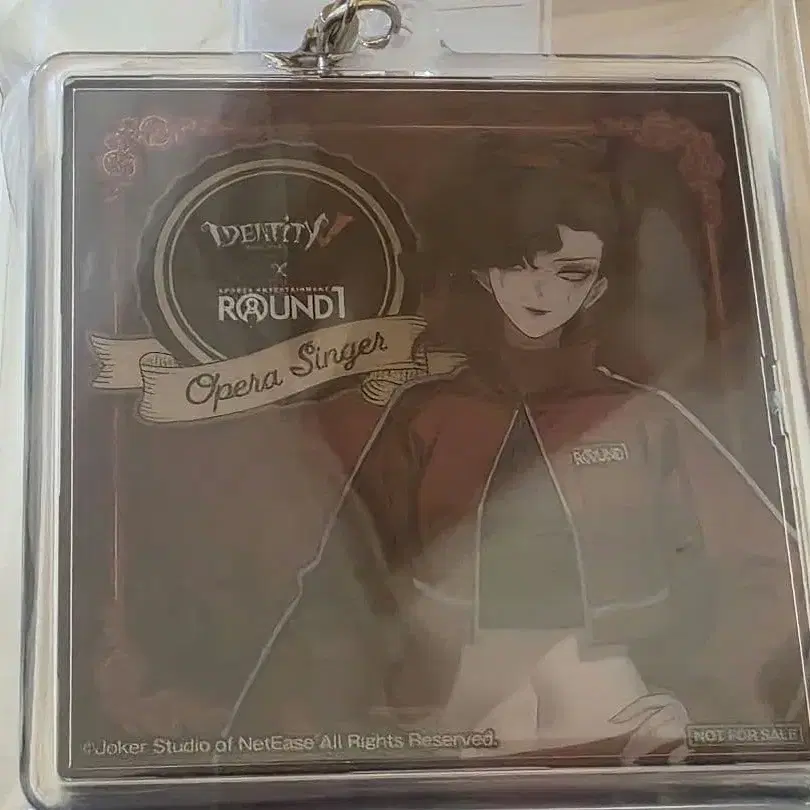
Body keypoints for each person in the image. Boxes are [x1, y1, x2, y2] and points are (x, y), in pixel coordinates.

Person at [225, 138, 804, 766]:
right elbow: (341, 582)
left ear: (596, 288)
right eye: (523, 265)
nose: (543, 289)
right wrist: (272, 743)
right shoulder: (429, 415)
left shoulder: (639, 417)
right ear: (486, 272)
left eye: (570, 273)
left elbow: (764, 570)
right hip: (452, 713)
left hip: (618, 700)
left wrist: (711, 704)